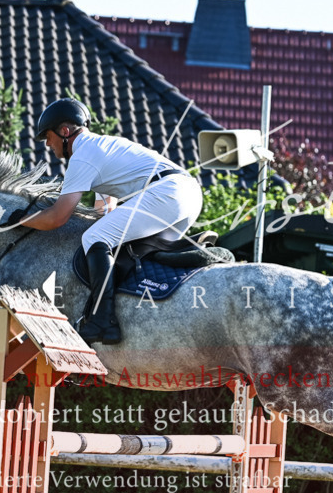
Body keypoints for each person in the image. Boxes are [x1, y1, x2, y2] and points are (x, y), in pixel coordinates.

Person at [13, 98, 203, 345]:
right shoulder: (102, 147)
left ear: (64, 132)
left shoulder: (83, 157)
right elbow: (105, 208)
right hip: (187, 194)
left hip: (167, 193)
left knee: (94, 238)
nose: (48, 144)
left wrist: (21, 220)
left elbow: (57, 217)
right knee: (127, 250)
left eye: (48, 137)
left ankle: (103, 321)